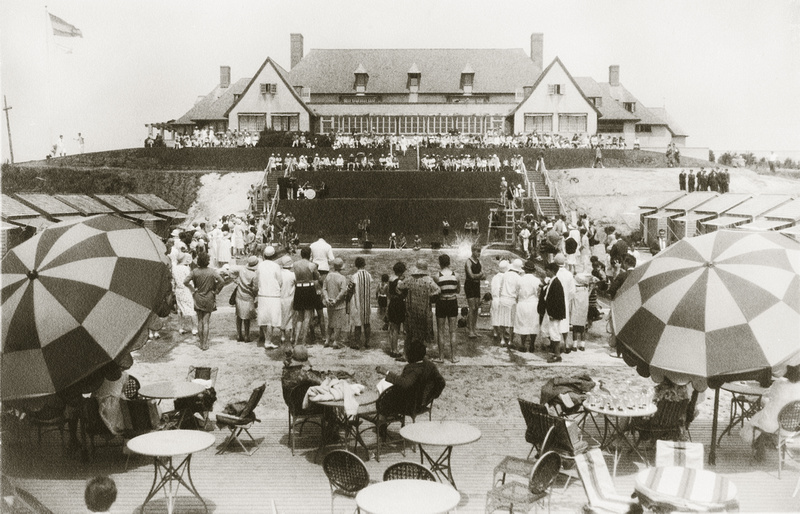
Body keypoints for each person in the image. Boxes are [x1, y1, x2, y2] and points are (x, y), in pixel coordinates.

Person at [742, 364, 800, 461]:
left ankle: (761, 447)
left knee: (760, 418)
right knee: (769, 413)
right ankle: (769, 443)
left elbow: (766, 394)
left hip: (772, 425)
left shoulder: (779, 383)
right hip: (792, 428)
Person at [375, 339, 446, 416]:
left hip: (410, 404)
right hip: (422, 401)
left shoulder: (414, 369)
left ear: (412, 356)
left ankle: (383, 419)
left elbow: (405, 383)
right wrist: (430, 396)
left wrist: (387, 372)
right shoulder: (430, 365)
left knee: (384, 388)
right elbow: (441, 382)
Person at [183, 252, 225, 351]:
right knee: (206, 322)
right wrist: (217, 291)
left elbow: (185, 282)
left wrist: (193, 289)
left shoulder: (194, 271)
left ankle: (201, 343)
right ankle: (205, 344)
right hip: (209, 297)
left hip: (198, 297)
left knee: (200, 321)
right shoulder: (212, 272)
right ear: (207, 261)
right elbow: (222, 281)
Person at [398, 260, 440, 349]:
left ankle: (407, 354)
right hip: (424, 311)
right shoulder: (428, 280)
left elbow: (399, 287)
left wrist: (404, 295)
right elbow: (438, 290)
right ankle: (421, 354)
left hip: (411, 310)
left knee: (409, 335)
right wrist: (430, 296)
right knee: (422, 335)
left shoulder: (410, 279)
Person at [433, 254, 460, 363]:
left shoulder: (437, 276)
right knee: (452, 331)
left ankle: (441, 357)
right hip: (453, 302)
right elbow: (458, 291)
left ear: (440, 263)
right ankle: (453, 357)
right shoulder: (456, 275)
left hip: (441, 303)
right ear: (449, 262)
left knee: (440, 331)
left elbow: (436, 292)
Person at [255, 246, 283, 349]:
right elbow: (280, 281)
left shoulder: (260, 265)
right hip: (274, 294)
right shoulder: (276, 266)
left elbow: (256, 279)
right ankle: (268, 340)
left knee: (263, 318)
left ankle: (266, 338)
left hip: (263, 293)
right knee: (271, 319)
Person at [292, 246, 321, 347]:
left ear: (301, 254)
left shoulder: (295, 264)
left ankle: (296, 341)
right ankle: (303, 341)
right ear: (310, 255)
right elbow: (318, 278)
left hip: (299, 289)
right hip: (309, 289)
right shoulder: (312, 265)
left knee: (299, 317)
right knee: (307, 317)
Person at [513, 259, 541, 352]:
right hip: (533, 303)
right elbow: (538, 293)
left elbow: (516, 292)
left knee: (523, 323)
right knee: (533, 324)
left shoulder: (520, 280)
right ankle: (532, 344)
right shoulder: (537, 280)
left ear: (525, 269)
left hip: (523, 302)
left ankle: (523, 344)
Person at [541, 262, 567, 363]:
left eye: (547, 270)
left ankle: (557, 355)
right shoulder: (552, 282)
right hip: (549, 311)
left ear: (552, 271)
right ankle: (554, 348)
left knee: (554, 332)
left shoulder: (556, 283)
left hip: (553, 313)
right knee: (545, 330)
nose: (546, 272)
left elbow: (557, 300)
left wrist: (554, 314)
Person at [322, 257, 349, 349]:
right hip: (339, 304)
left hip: (329, 303)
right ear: (341, 267)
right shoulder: (342, 278)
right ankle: (335, 341)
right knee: (338, 324)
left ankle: (327, 340)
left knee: (330, 322)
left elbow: (324, 289)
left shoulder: (328, 276)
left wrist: (326, 298)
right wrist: (336, 299)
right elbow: (343, 291)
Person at [498, 258, 523, 347]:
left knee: (502, 320)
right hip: (512, 300)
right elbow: (518, 291)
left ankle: (502, 339)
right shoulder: (519, 278)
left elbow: (500, 287)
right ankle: (510, 341)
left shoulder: (505, 275)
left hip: (503, 298)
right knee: (512, 322)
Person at [172, 251, 198, 336]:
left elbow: (173, 281)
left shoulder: (174, 268)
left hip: (178, 290)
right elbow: (189, 280)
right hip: (186, 289)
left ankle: (181, 327)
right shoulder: (185, 269)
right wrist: (194, 289)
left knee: (180, 309)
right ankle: (194, 328)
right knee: (191, 308)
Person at [234, 255, 259, 342]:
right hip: (248, 296)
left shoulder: (242, 270)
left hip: (239, 294)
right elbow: (255, 288)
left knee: (239, 315)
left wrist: (236, 281)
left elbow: (232, 273)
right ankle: (247, 335)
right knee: (246, 317)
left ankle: (239, 334)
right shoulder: (254, 275)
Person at [350, 257, 372, 349]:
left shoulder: (354, 276)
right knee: (367, 323)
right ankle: (367, 342)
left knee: (357, 324)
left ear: (356, 265)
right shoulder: (368, 275)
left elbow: (350, 288)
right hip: (367, 302)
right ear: (364, 264)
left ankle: (357, 343)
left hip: (357, 303)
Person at [386, 262, 407, 359]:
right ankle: (395, 350)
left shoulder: (390, 279)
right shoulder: (399, 281)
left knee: (392, 327)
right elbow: (404, 293)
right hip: (398, 304)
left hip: (392, 303)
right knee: (396, 329)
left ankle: (392, 348)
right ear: (401, 271)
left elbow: (388, 293)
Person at [464, 244, 485, 339]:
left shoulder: (479, 262)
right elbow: (471, 276)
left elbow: (484, 276)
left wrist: (479, 275)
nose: (479, 253)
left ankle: (474, 328)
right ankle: (470, 331)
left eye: (480, 251)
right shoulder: (468, 262)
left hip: (476, 285)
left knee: (476, 307)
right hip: (469, 285)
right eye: (477, 251)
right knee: (472, 307)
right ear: (472, 251)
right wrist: (480, 275)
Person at [278, 255, 296, 345]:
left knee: (282, 316)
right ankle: (292, 336)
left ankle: (282, 335)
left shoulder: (279, 274)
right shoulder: (293, 275)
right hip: (290, 298)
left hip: (280, 298)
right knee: (291, 316)